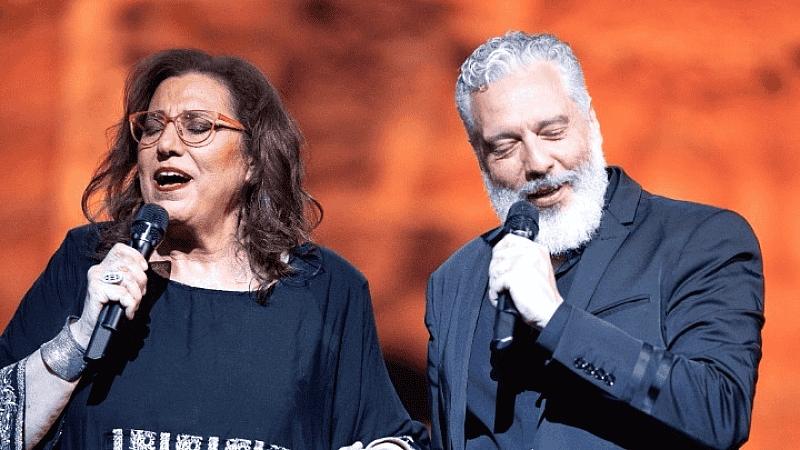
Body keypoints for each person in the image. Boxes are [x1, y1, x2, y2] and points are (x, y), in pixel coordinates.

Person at [0, 49, 429, 450]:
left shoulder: (325, 289)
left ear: (253, 161)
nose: (166, 145)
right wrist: (77, 339)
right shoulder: (89, 262)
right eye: (152, 127)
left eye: (197, 126)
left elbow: (391, 438)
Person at [426, 31, 764, 450]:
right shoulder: (454, 281)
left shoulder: (701, 239)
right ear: (481, 157)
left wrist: (556, 320)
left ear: (591, 120)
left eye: (552, 132)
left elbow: (720, 412)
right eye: (505, 146)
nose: (537, 163)